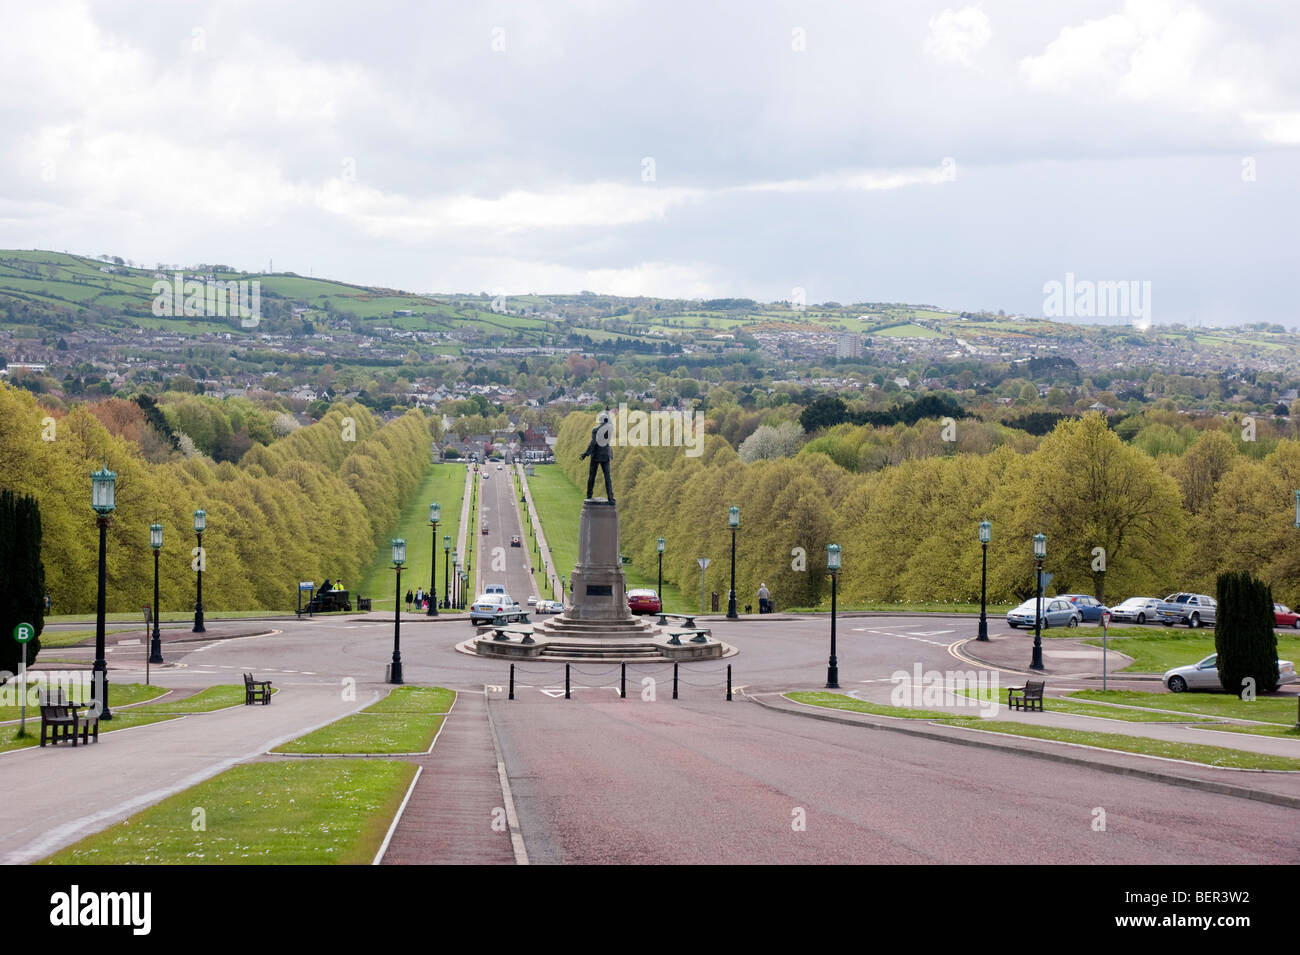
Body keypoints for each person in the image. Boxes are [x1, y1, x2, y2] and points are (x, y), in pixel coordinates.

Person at [579, 411, 615, 503]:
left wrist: (586, 453)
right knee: (607, 477)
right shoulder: (610, 429)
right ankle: (610, 497)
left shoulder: (595, 429)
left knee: (592, 476)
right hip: (605, 455)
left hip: (596, 455)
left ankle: (589, 494)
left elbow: (593, 443)